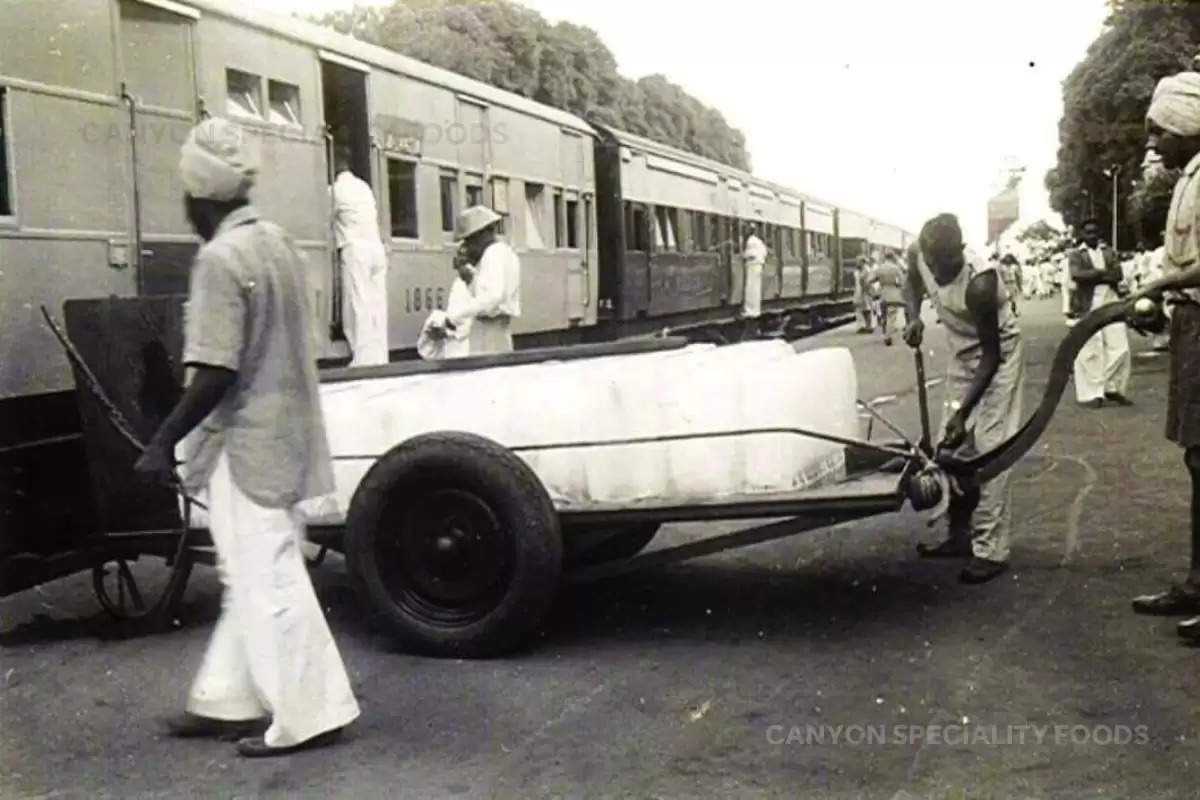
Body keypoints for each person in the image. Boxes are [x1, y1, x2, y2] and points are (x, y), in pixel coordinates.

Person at [134, 117, 360, 757]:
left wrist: (162, 441)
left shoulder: (219, 259)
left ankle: (311, 714)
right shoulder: (279, 244)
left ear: (197, 199)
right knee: (249, 571)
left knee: (268, 580)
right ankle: (226, 700)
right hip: (287, 436)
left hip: (246, 445)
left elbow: (214, 371)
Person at [904, 214, 1025, 585]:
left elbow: (990, 357)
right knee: (948, 448)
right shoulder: (917, 254)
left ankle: (990, 551)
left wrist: (964, 413)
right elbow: (911, 284)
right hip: (960, 354)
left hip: (998, 357)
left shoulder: (981, 283)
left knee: (990, 450)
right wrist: (913, 318)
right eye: (936, 268)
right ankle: (959, 537)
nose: (941, 275)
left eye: (949, 266)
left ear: (960, 252)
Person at [1130, 69, 1200, 637]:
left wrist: (1155, 288)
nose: (1153, 142)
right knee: (1196, 458)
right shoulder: (1188, 179)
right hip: (1189, 322)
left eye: (1160, 131)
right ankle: (1198, 584)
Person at [332, 144, 389, 366]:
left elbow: (326, 216)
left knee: (358, 303)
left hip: (356, 249)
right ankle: (380, 356)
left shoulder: (335, 190)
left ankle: (363, 358)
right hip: (376, 248)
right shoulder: (363, 187)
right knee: (377, 304)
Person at [1068, 219, 1132, 408]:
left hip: (1110, 299)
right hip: (1088, 303)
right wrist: (1103, 273)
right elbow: (1077, 275)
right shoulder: (1076, 254)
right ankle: (1091, 394)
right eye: (1088, 232)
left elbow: (1117, 274)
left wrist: (1094, 275)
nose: (1092, 236)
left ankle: (1111, 387)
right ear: (1082, 235)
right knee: (1090, 349)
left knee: (1120, 347)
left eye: (1095, 232)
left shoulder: (1108, 251)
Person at [445, 205, 521, 354]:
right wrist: (470, 280)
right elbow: (488, 292)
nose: (468, 246)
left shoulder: (492, 254)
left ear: (483, 234)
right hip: (500, 329)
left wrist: (455, 316)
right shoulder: (507, 253)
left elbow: (491, 299)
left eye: (470, 240)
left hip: (487, 333)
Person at [417, 243, 475, 360]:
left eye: (465, 262)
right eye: (458, 262)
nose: (461, 268)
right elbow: (453, 314)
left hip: (468, 347)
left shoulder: (478, 285)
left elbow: (474, 321)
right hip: (453, 346)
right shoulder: (458, 284)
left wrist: (449, 332)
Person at [869, 252, 905, 345]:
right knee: (891, 317)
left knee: (884, 316)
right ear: (893, 257)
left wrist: (875, 288)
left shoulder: (880, 268)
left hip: (882, 294)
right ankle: (888, 337)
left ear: (885, 258)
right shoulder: (896, 268)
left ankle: (885, 333)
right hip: (893, 294)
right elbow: (902, 282)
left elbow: (870, 280)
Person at [742, 220, 768, 323]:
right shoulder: (758, 241)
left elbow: (750, 254)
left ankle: (750, 311)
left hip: (752, 265)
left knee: (750, 289)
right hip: (759, 265)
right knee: (756, 289)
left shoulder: (751, 241)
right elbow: (764, 252)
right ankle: (756, 310)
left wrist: (743, 255)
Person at [853, 255, 875, 333]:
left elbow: (865, 282)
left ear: (862, 262)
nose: (856, 263)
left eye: (858, 261)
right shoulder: (860, 270)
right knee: (863, 309)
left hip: (865, 291)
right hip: (861, 291)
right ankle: (866, 325)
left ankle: (869, 326)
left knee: (867, 309)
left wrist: (866, 292)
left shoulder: (866, 270)